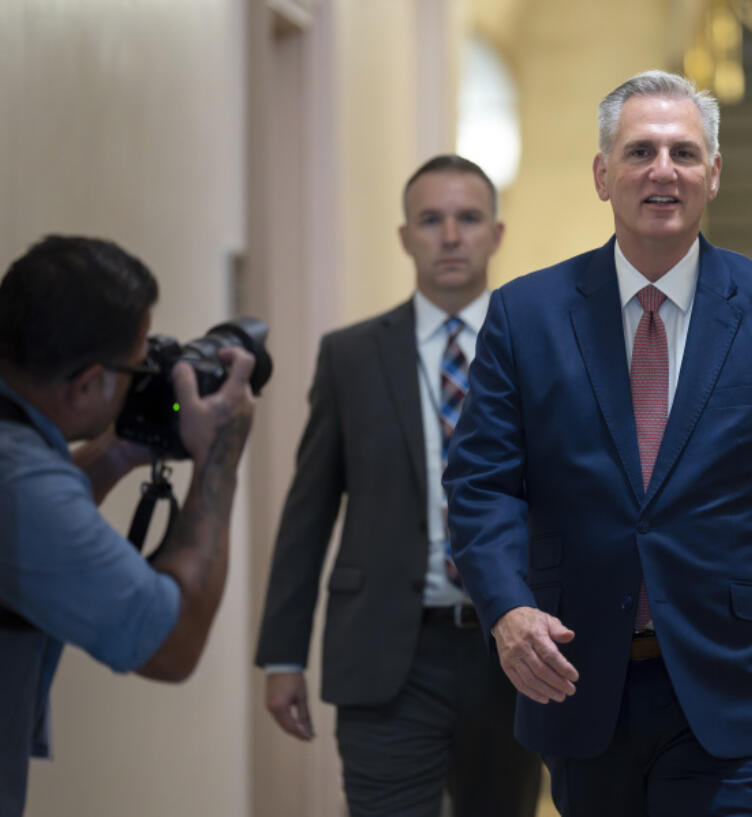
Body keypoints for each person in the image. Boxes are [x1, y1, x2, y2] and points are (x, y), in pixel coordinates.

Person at [443, 70, 752, 817]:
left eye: (684, 153)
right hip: (580, 678)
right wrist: (506, 606)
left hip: (736, 679)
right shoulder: (525, 315)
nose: (662, 170)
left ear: (715, 174)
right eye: (640, 152)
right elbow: (482, 485)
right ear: (603, 175)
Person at [254, 155, 540, 817]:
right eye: (430, 219)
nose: (449, 235)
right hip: (386, 654)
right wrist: (282, 654)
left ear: (496, 234)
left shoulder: (540, 348)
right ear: (405, 236)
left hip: (515, 653)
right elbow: (309, 511)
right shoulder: (350, 356)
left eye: (468, 218)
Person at [0, 236, 256, 817]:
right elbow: (172, 644)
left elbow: (34, 522)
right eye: (137, 366)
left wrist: (117, 452)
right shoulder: (17, 479)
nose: (143, 380)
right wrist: (219, 458)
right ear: (89, 383)